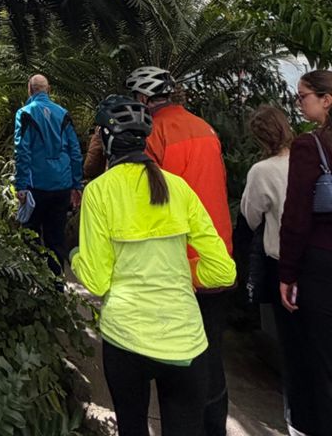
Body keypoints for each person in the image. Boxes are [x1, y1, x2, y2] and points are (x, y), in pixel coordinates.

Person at [72, 95, 236, 436]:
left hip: (126, 338)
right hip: (186, 340)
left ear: (106, 138)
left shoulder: (99, 192)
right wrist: (182, 274)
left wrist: (74, 256)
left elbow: (97, 280)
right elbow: (223, 270)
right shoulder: (179, 187)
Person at [125, 65, 233, 436]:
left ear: (143, 98)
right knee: (212, 355)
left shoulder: (152, 134)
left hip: (177, 266)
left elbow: (148, 203)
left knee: (175, 362)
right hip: (216, 257)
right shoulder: (205, 129)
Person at [241, 105, 306, 430]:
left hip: (281, 263)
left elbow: (250, 215)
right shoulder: (310, 160)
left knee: (292, 346)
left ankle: (296, 419)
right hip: (316, 262)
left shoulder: (263, 171)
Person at [279, 70, 332, 436]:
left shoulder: (309, 147)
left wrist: (287, 273)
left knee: (322, 361)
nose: (299, 103)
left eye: (303, 97)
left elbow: (296, 216)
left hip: (321, 264)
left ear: (326, 100)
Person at [14, 73, 83, 276]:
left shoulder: (25, 113)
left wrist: (21, 185)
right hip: (62, 185)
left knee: (31, 236)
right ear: (49, 89)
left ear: (29, 90)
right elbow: (75, 151)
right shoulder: (63, 114)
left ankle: (35, 282)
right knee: (56, 238)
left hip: (36, 186)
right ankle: (56, 284)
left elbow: (22, 151)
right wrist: (76, 184)